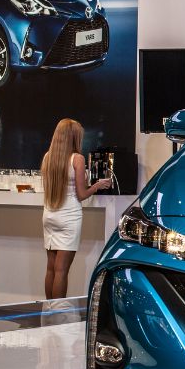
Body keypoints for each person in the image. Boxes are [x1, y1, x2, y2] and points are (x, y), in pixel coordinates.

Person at [41, 119, 109, 300]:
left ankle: (49, 309)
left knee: (51, 269)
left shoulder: (48, 157)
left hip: (49, 215)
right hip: (69, 217)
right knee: (62, 271)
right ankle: (58, 311)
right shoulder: (77, 159)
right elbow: (81, 194)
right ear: (73, 137)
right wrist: (97, 185)